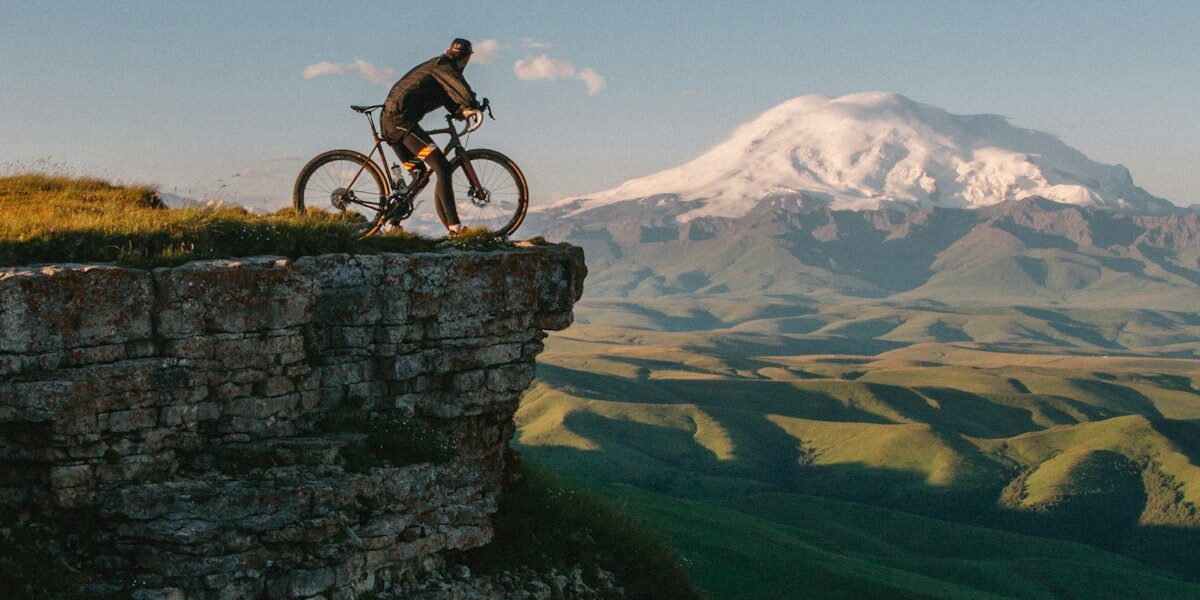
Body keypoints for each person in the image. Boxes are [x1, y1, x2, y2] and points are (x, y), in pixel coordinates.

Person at [380, 38, 482, 236]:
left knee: (419, 175)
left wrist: (461, 111)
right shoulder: (445, 65)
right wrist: (474, 104)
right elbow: (462, 91)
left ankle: (392, 223)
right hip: (401, 122)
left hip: (391, 122)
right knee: (442, 167)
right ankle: (455, 226)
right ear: (467, 57)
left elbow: (450, 98)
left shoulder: (440, 70)